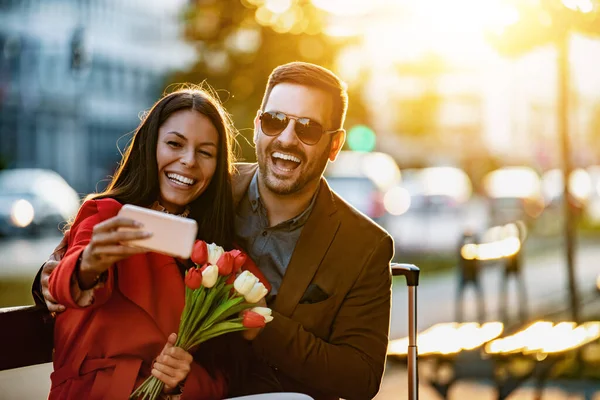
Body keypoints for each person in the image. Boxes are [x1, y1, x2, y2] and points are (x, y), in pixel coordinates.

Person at [36, 62, 395, 400]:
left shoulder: (365, 245)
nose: (286, 139)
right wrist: (60, 274)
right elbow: (89, 245)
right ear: (257, 124)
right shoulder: (204, 186)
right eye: (275, 120)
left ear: (334, 144)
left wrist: (259, 325)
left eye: (308, 128)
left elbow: (360, 376)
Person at [42, 87, 268, 400]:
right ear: (150, 146)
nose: (188, 161)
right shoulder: (106, 215)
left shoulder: (215, 253)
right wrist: (89, 265)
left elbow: (225, 369)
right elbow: (71, 279)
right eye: (175, 143)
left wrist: (183, 380)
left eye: (205, 152)